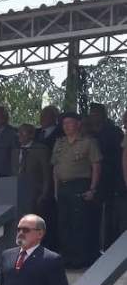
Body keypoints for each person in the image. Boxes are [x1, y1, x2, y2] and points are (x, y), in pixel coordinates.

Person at [51, 111, 102, 269]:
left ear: (78, 124)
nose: (66, 126)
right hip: (63, 187)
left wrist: (92, 188)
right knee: (64, 223)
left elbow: (96, 165)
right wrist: (55, 190)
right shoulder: (59, 143)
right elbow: (55, 168)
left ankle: (81, 259)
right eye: (64, 123)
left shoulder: (88, 142)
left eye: (70, 123)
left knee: (79, 223)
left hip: (80, 184)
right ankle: (67, 258)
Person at [86, 103, 127, 247]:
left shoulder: (114, 132)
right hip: (92, 179)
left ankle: (111, 247)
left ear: (103, 114)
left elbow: (120, 157)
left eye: (96, 113)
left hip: (112, 179)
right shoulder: (88, 133)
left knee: (112, 216)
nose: (92, 116)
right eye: (91, 113)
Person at [17, 124, 53, 218]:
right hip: (17, 193)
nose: (19, 135)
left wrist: (44, 194)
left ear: (31, 135)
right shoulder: (15, 150)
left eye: (23, 132)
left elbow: (47, 174)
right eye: (19, 132)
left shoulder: (41, 149)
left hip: (35, 193)